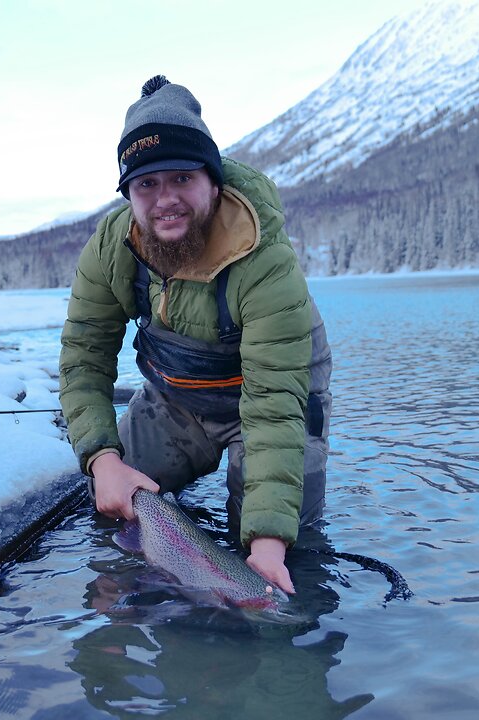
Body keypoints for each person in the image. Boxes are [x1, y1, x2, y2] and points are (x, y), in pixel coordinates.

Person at [59, 75, 333, 595]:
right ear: (129, 194)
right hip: (177, 403)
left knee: (283, 557)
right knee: (113, 504)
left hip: (273, 410)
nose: (166, 200)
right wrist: (104, 460)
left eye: (182, 178)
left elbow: (275, 404)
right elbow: (83, 359)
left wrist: (268, 542)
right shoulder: (112, 249)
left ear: (212, 180)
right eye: (146, 184)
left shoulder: (264, 260)